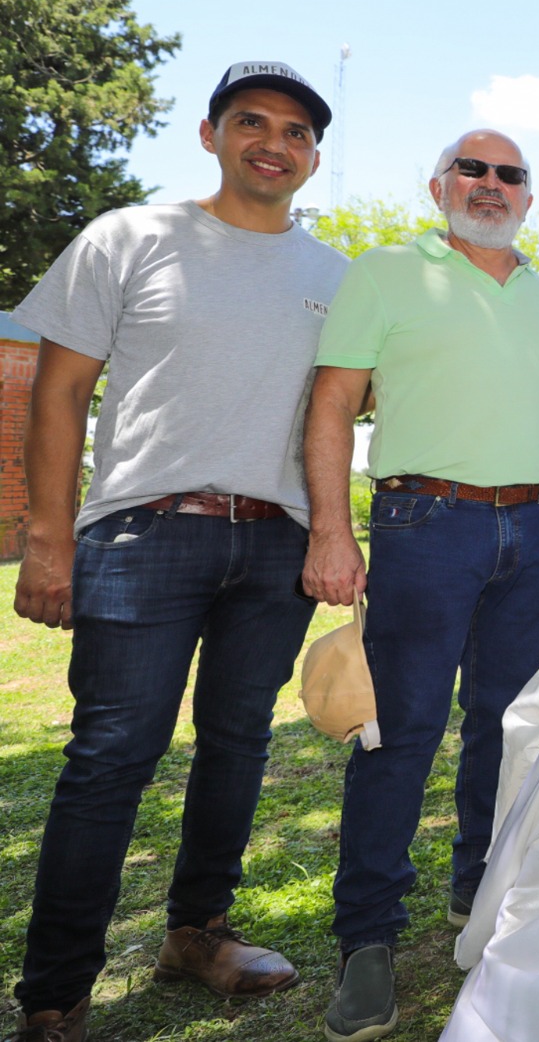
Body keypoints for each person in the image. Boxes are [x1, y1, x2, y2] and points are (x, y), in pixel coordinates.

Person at [7, 61, 346, 1042]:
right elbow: (59, 393)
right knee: (110, 758)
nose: (273, 143)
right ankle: (54, 994)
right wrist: (46, 541)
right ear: (211, 135)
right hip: (140, 532)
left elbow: (342, 411)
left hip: (273, 544)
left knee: (237, 746)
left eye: (294, 132)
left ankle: (197, 932)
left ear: (313, 158)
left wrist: (334, 530)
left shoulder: (334, 276)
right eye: (252, 122)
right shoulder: (130, 236)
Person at [300, 129, 539, 1041]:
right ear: (439, 185)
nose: (492, 185)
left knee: (507, 724)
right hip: (426, 525)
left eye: (511, 175)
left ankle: (482, 891)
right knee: (403, 729)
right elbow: (335, 404)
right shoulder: (384, 272)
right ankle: (367, 940)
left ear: (530, 199)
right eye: (474, 168)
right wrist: (332, 530)